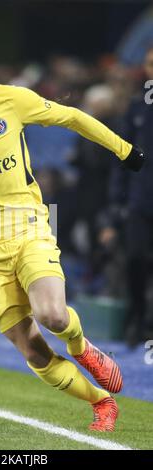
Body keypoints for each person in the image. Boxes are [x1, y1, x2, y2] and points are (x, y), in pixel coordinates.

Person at [0, 30, 145, 432]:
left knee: (52, 315)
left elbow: (70, 116)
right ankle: (101, 402)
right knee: (34, 352)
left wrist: (123, 150)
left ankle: (80, 347)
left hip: (26, 228)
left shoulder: (10, 99)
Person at [100, 46, 153, 347]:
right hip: (139, 202)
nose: (151, 70)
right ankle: (137, 320)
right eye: (148, 64)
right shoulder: (136, 109)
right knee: (135, 260)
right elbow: (121, 159)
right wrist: (114, 209)